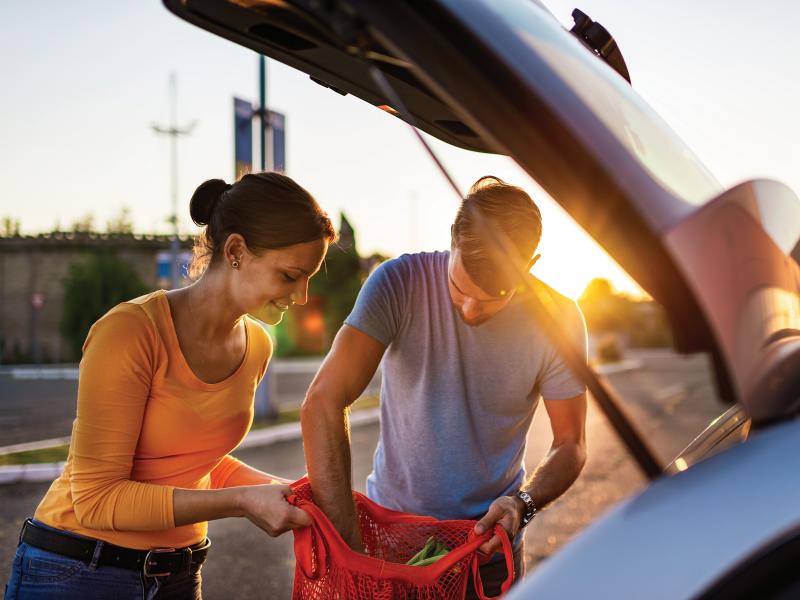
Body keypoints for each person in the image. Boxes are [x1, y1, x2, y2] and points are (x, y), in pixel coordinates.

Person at [4, 173, 336, 600]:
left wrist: (290, 494)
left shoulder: (257, 346)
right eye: (290, 275)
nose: (303, 296)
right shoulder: (131, 330)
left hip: (178, 577)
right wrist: (242, 502)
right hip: (77, 572)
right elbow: (96, 499)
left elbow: (195, 463)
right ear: (236, 251)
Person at [301, 176, 588, 597]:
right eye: (459, 290)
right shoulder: (397, 282)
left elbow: (571, 443)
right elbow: (323, 402)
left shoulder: (559, 319)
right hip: (390, 547)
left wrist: (522, 506)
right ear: (452, 237)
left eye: (493, 298)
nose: (471, 310)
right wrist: (350, 546)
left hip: (485, 553)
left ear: (531, 263)